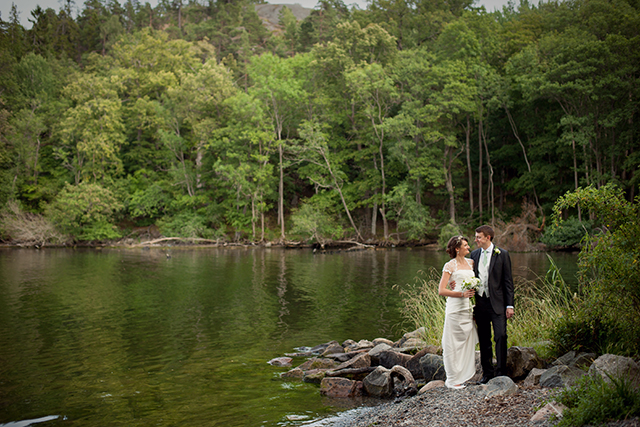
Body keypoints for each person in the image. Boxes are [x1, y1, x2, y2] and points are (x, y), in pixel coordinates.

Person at [470, 225, 515, 384]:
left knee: (501, 336)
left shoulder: (502, 254)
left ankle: (502, 372)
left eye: (479, 237)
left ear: (488, 238)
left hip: (498, 304)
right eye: (476, 237)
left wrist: (510, 305)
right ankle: (487, 373)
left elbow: (508, 282)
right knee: (484, 339)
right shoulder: (474, 255)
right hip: (481, 303)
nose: (476, 240)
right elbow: (468, 276)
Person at [438, 235, 479, 389]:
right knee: (451, 343)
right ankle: (452, 379)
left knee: (465, 341)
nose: (469, 248)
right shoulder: (450, 266)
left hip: (467, 308)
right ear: (457, 249)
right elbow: (441, 290)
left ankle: (462, 376)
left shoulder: (471, 263)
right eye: (465, 245)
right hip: (455, 307)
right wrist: (461, 293)